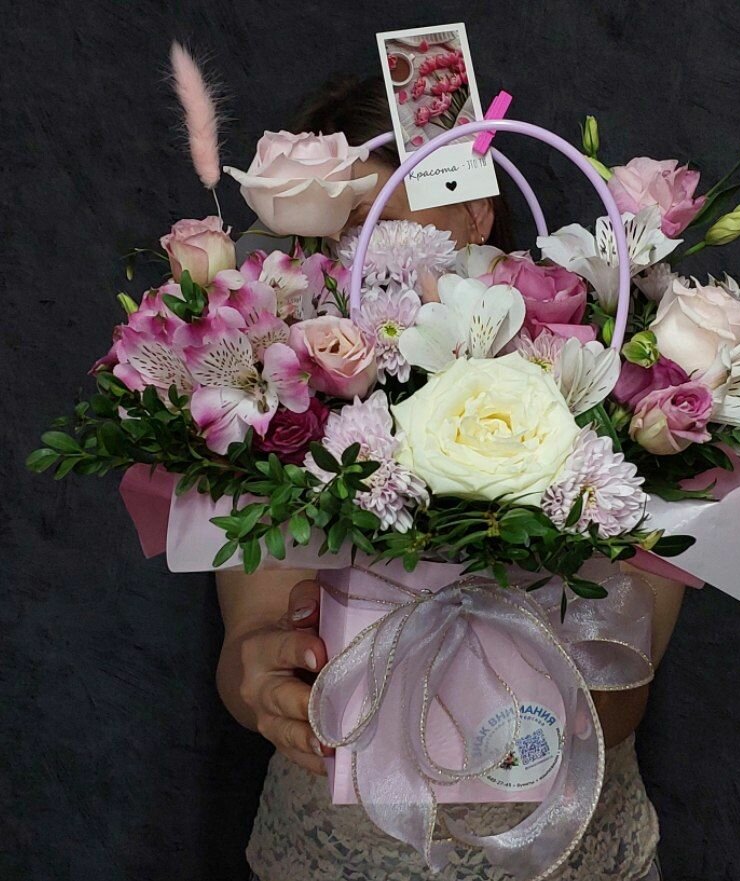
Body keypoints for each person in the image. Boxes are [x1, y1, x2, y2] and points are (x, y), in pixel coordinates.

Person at [215, 73, 687, 881]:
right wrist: (267, 679)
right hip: (333, 851)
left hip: (568, 846)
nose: (359, 252)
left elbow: (620, 698)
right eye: (334, 230)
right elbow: (247, 650)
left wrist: (504, 649)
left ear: (476, 213)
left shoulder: (609, 385)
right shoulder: (277, 401)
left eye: (382, 219)